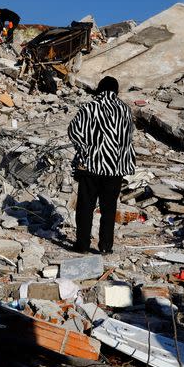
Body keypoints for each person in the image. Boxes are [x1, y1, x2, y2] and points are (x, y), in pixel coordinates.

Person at [67, 76, 136, 254]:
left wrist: (85, 150)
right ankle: (106, 246)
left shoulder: (89, 107)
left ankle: (82, 245)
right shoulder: (125, 110)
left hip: (91, 167)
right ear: (116, 90)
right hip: (115, 169)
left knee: (85, 207)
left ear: (99, 89)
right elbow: (128, 138)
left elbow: (73, 131)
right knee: (109, 209)